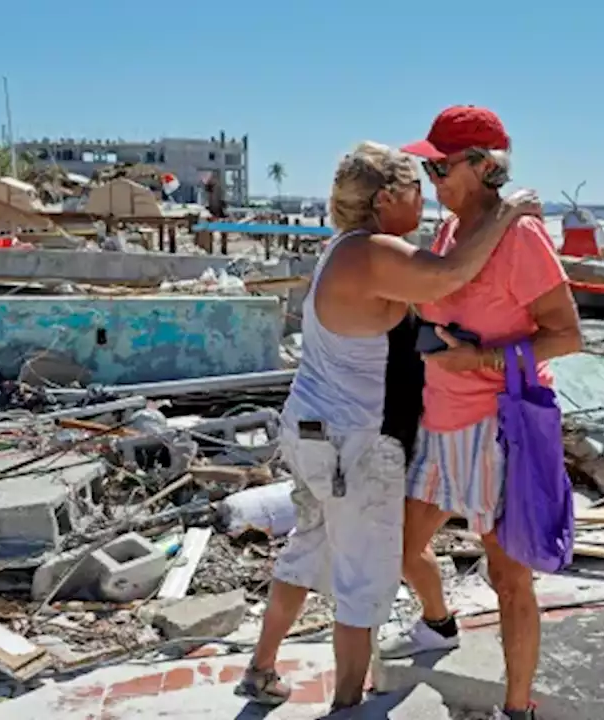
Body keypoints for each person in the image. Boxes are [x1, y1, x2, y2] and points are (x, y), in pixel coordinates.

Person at [236, 140, 540, 712]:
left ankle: (260, 670)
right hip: (355, 442)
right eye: (415, 189)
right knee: (363, 585)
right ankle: (347, 706)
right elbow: (449, 275)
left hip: (310, 431)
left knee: (308, 549)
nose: (425, 200)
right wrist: (509, 209)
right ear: (385, 198)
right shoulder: (373, 253)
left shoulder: (342, 251)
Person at [380, 107, 583, 720]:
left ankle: (518, 709)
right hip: (442, 428)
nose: (431, 174)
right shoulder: (450, 232)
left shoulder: (520, 238)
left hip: (497, 429)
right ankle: (439, 624)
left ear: (483, 166)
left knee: (508, 579)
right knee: (402, 547)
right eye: (428, 164)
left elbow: (567, 336)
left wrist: (482, 358)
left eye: (441, 164)